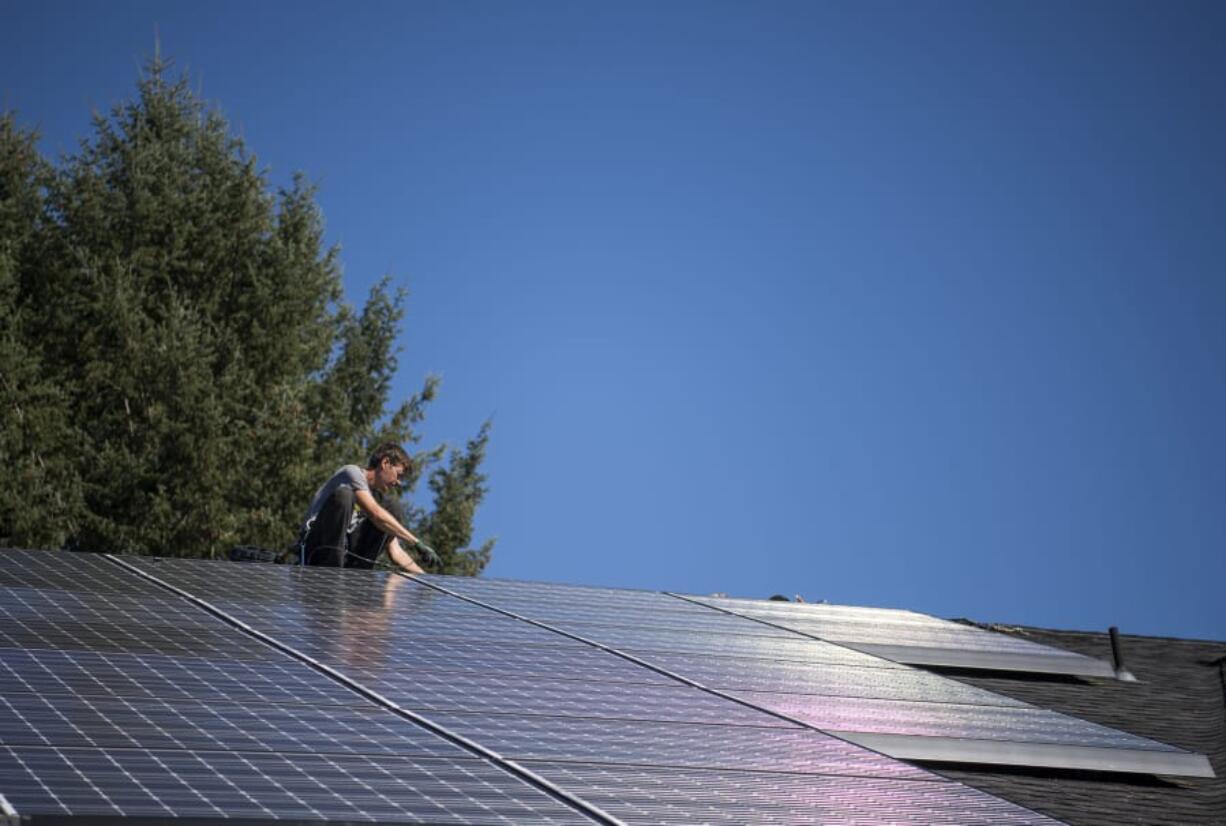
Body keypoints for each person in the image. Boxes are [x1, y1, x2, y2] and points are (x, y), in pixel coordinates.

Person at [299, 442, 433, 573]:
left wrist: (426, 577)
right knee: (344, 495)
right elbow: (376, 513)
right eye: (399, 475)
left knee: (392, 509)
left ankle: (359, 573)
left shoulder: (377, 499)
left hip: (346, 558)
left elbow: (395, 551)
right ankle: (332, 567)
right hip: (317, 549)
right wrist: (416, 542)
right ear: (385, 463)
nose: (398, 483)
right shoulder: (351, 473)